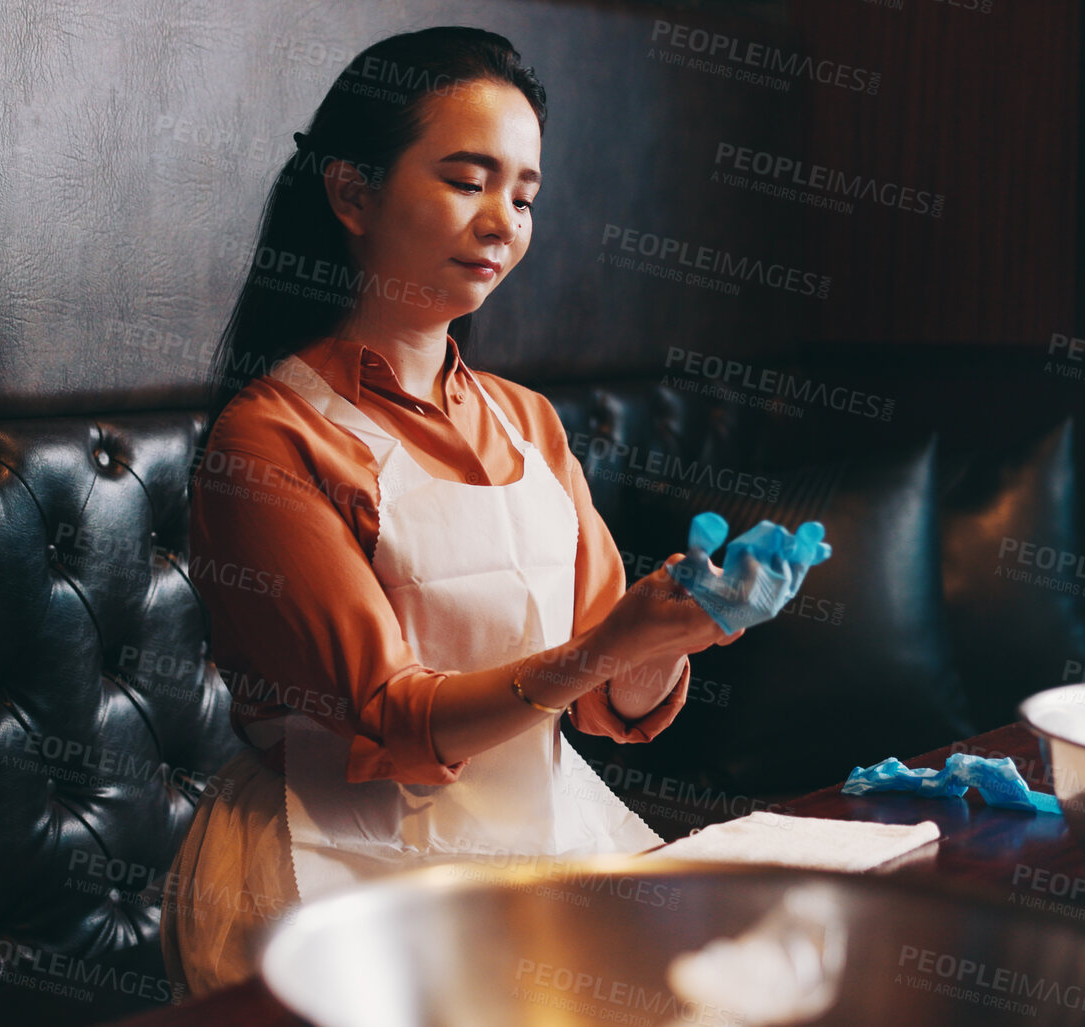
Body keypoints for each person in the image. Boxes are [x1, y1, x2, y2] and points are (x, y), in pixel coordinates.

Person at [162, 27, 823, 996]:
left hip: (541, 837)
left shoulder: (528, 420)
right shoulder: (270, 438)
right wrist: (604, 648)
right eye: (468, 181)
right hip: (338, 865)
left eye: (523, 195)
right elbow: (386, 720)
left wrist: (682, 626)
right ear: (351, 193)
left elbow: (604, 704)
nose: (503, 221)